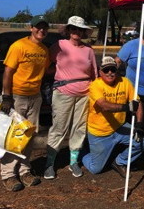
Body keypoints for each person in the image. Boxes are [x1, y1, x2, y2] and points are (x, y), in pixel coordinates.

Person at [0, 15, 50, 191]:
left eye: (44, 28)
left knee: (29, 136)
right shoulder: (19, 46)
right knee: (13, 136)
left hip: (34, 97)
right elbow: (8, 72)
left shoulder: (44, 50)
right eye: (38, 27)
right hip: (16, 97)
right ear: (31, 28)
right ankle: (8, 175)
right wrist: (7, 97)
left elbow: (47, 71)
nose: (41, 30)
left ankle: (24, 170)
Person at [44, 16, 98, 180]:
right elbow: (46, 67)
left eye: (80, 29)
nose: (77, 32)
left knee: (79, 128)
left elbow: (94, 74)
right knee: (59, 127)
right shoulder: (58, 46)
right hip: (63, 93)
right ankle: (49, 163)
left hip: (85, 94)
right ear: (68, 30)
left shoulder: (88, 50)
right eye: (73, 29)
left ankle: (73, 161)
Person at [82, 56, 144, 176]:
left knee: (143, 141)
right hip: (100, 133)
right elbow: (104, 106)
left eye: (113, 70)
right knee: (95, 169)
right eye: (106, 70)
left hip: (119, 128)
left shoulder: (125, 82)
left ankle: (119, 162)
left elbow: (137, 103)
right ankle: (82, 152)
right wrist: (126, 108)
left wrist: (139, 125)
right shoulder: (95, 85)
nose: (110, 73)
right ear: (100, 71)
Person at [115, 17, 144, 136]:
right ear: (142, 29)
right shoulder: (131, 45)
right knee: (133, 121)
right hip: (133, 91)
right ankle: (132, 148)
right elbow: (118, 61)